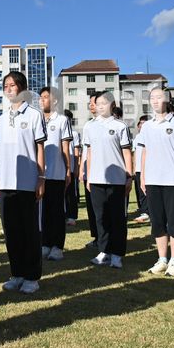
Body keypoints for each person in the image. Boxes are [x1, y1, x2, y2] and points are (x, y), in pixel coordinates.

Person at [0, 73, 46, 295]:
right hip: (6, 182)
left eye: (12, 85)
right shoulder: (1, 119)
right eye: (5, 86)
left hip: (27, 182)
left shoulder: (34, 115)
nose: (8, 89)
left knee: (29, 231)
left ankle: (32, 277)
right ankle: (16, 273)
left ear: (22, 88)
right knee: (11, 231)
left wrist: (41, 178)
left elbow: (40, 148)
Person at [139, 88, 174, 277]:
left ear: (167, 100)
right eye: (152, 97)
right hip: (153, 180)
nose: (155, 101)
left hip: (173, 180)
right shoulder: (147, 126)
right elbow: (145, 152)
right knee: (157, 222)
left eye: (159, 97)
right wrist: (143, 176)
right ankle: (162, 259)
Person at [83, 91, 133, 269]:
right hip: (96, 178)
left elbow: (127, 153)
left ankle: (117, 254)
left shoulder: (120, 126)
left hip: (116, 180)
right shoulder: (89, 126)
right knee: (101, 218)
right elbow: (89, 153)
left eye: (104, 103)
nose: (100, 106)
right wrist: (88, 176)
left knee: (117, 218)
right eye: (98, 103)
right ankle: (104, 251)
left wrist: (129, 176)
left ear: (112, 105)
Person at [38, 86, 72, 261]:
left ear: (55, 100)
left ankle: (57, 246)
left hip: (56, 173)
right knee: (43, 212)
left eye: (46, 97)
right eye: (41, 97)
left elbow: (65, 147)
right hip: (39, 174)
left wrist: (68, 169)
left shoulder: (62, 120)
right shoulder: (36, 119)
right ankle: (45, 243)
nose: (42, 100)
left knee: (57, 212)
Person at [80, 92, 102, 247]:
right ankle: (97, 237)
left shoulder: (112, 124)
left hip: (103, 173)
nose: (91, 105)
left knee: (103, 210)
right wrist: (82, 169)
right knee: (92, 208)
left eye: (93, 102)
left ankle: (106, 239)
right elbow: (86, 150)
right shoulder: (88, 125)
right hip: (89, 172)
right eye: (90, 103)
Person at [132, 116, 150, 223]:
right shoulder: (137, 138)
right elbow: (135, 153)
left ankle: (147, 211)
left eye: (144, 123)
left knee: (147, 190)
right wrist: (134, 167)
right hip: (138, 169)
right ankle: (143, 210)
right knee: (139, 191)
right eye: (141, 123)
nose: (142, 125)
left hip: (148, 169)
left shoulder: (150, 136)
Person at [65, 110, 80, 226]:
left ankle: (72, 216)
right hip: (61, 169)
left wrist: (76, 168)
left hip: (71, 168)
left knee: (71, 194)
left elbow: (76, 151)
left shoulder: (74, 134)